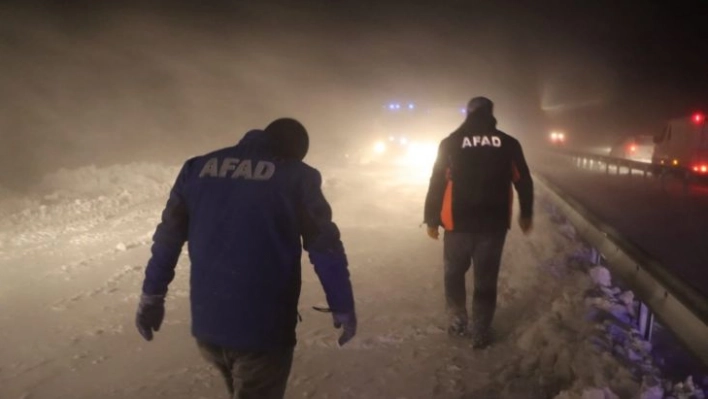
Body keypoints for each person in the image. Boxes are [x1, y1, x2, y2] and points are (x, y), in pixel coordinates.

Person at [135, 118, 357, 398]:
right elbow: (325, 247)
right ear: (293, 151)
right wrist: (342, 304)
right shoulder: (298, 177)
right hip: (263, 330)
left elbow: (168, 238)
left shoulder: (196, 168)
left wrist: (151, 296)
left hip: (209, 327)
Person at [423, 97, 533, 348]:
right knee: (485, 278)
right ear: (491, 114)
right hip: (493, 225)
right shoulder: (508, 143)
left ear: (468, 113)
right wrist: (526, 213)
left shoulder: (450, 143)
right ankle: (481, 329)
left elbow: (437, 181)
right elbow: (523, 181)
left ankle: (457, 320)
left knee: (454, 273)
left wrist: (431, 218)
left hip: (457, 222)